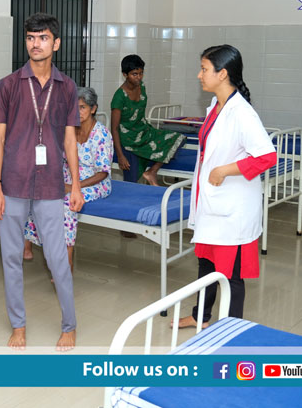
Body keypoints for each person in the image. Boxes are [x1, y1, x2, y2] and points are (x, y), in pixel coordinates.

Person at [0, 12, 83, 351]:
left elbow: (70, 140)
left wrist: (76, 185)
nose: (35, 44)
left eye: (43, 38)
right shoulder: (9, 85)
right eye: (30, 37)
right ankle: (18, 325)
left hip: (50, 185)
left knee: (57, 259)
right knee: (11, 257)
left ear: (56, 43)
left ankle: (69, 325)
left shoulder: (67, 87)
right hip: (13, 182)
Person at [176, 45, 276, 329]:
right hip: (212, 203)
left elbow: (267, 157)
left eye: (204, 69)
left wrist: (225, 170)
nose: (199, 75)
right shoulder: (216, 106)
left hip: (233, 209)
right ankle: (201, 317)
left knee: (231, 275)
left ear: (222, 74)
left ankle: (232, 331)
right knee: (206, 263)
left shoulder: (241, 113)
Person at [23, 87, 112, 271]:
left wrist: (73, 187)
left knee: (67, 203)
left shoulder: (102, 135)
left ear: (93, 109)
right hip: (67, 175)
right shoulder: (68, 131)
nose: (78, 112)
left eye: (82, 107)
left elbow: (103, 172)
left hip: (95, 181)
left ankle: (66, 261)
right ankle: (28, 242)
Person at [111, 54, 185, 187]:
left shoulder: (142, 86)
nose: (139, 77)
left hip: (145, 132)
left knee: (177, 138)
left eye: (141, 73)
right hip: (128, 140)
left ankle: (152, 172)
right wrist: (120, 155)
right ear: (125, 74)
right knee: (131, 182)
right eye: (134, 74)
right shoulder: (119, 97)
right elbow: (114, 129)